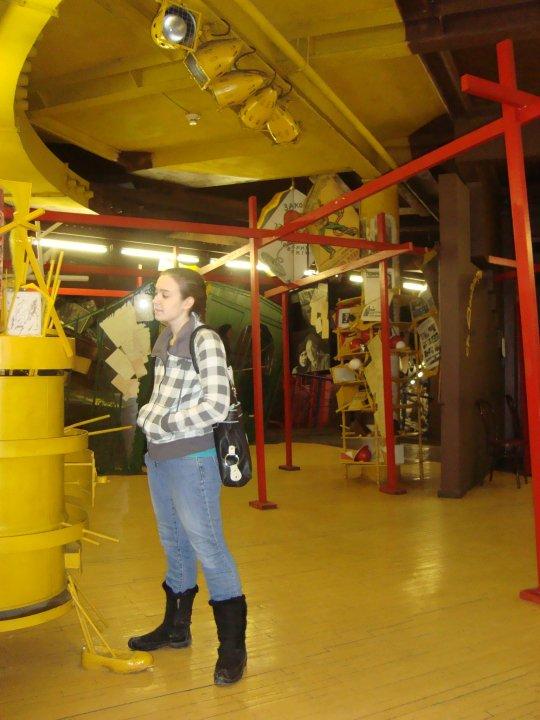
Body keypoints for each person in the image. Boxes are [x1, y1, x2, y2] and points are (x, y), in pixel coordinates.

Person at [130, 267, 247, 686]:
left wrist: (163, 423)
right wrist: (150, 419)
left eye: (164, 294)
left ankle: (232, 649)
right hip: (160, 459)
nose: (156, 300)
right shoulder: (165, 341)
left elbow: (216, 406)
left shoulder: (205, 341)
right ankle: (176, 628)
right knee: (174, 543)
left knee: (209, 547)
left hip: (192, 459)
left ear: (188, 301)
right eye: (155, 293)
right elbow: (161, 399)